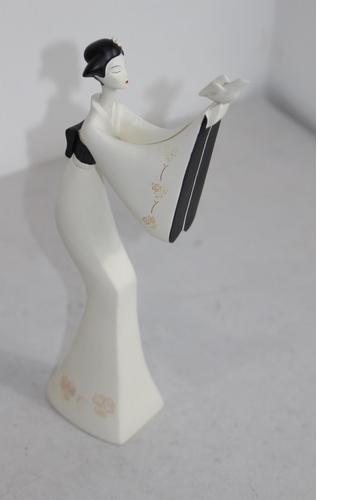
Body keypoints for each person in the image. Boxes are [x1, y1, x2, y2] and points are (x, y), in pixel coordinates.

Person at [47, 38, 244, 444]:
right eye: (116, 70)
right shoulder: (93, 127)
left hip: (92, 200)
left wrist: (200, 123)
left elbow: (148, 137)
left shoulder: (114, 111)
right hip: (77, 208)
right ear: (100, 76)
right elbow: (128, 160)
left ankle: (106, 389)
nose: (124, 75)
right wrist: (172, 158)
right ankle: (91, 391)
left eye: (123, 67)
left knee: (124, 284)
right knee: (113, 288)